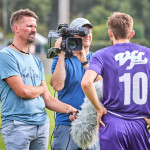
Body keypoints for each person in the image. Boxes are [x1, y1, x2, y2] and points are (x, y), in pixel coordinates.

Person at [0, 9, 77, 150]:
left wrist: (70, 109)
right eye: (29, 26)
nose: (33, 30)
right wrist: (41, 89)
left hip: (41, 126)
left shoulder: (35, 60)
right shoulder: (6, 56)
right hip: (18, 126)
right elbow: (22, 91)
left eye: (35, 26)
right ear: (16, 28)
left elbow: (47, 98)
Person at [81, 12, 150, 150]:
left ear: (110, 33)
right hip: (141, 124)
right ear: (131, 33)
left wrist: (99, 108)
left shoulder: (102, 54)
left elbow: (86, 82)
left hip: (113, 122)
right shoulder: (148, 53)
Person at [50, 18, 100, 150]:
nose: (87, 34)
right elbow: (57, 86)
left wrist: (84, 61)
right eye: (82, 32)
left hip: (92, 125)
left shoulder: (98, 59)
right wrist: (61, 54)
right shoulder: (62, 59)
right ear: (72, 36)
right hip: (66, 123)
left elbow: (102, 86)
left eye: (89, 31)